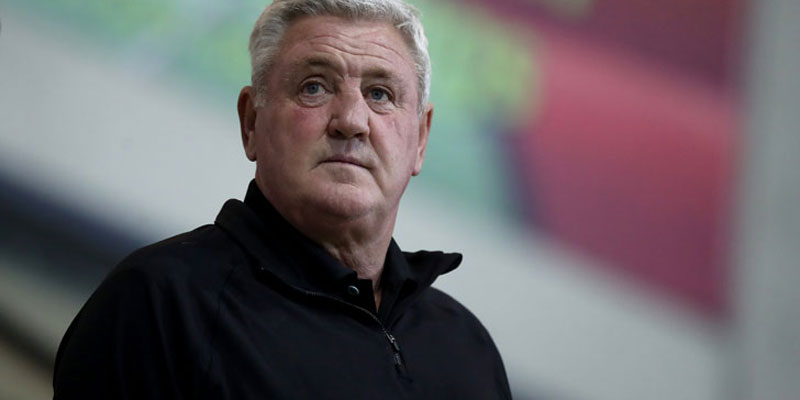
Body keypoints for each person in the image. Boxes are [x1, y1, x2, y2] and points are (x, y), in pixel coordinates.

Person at [52, 0, 512, 398]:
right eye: (314, 86)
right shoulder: (159, 306)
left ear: (421, 139)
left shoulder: (466, 347)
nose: (352, 121)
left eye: (380, 93)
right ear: (251, 121)